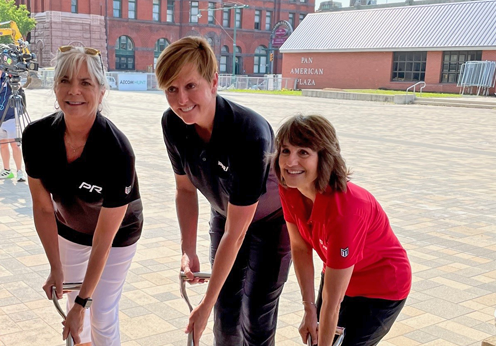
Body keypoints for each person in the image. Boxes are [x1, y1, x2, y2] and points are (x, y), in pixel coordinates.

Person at [156, 36, 291, 346]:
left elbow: (238, 231)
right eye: (171, 89)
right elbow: (185, 190)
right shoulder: (173, 124)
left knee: (256, 317)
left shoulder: (249, 132)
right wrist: (187, 250)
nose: (181, 101)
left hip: (270, 223)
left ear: (214, 81)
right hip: (225, 213)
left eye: (190, 86)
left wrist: (203, 305)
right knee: (225, 315)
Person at [22, 46, 143, 346]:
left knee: (98, 312)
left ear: (102, 92)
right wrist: (55, 267)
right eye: (65, 80)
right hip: (71, 227)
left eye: (86, 83)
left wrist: (83, 302)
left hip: (117, 234)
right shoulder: (36, 137)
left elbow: (105, 235)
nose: (74, 90)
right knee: (74, 314)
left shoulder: (117, 150)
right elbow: (43, 207)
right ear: (55, 86)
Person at [273, 114, 411, 346]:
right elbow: (299, 247)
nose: (290, 162)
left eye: (303, 152)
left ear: (324, 157)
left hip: (380, 288)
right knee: (317, 338)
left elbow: (333, 303)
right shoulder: (290, 187)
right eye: (285, 151)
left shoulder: (346, 209)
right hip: (338, 274)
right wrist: (309, 309)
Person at [0, 68, 26, 181]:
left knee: (15, 145)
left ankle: (19, 171)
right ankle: (7, 170)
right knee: (3, 145)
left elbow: (18, 87)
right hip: (0, 119)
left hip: (11, 117)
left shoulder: (9, 78)